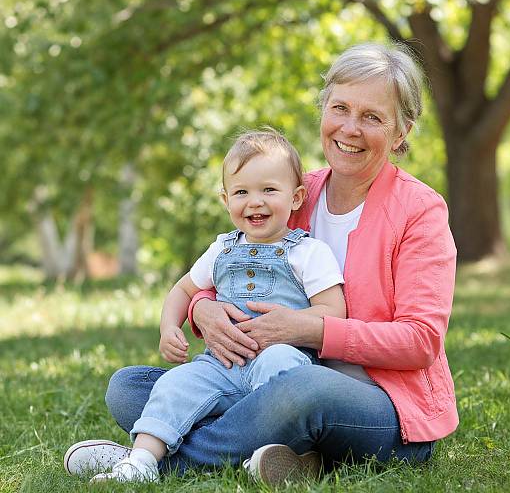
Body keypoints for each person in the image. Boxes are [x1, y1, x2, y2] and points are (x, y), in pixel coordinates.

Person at [64, 42, 458, 486]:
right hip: (262, 375)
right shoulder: (289, 192)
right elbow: (233, 266)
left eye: (372, 117)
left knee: (299, 390)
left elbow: (421, 340)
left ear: (402, 131)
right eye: (340, 108)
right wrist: (202, 311)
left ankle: (150, 460)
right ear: (323, 110)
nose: (349, 128)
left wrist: (307, 330)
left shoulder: (420, 209)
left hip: (378, 403)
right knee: (129, 387)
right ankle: (288, 455)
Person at [68, 129, 346, 483]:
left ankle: (261, 453)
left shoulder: (308, 252)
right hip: (222, 365)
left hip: (281, 358)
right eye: (242, 192)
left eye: (269, 190)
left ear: (296, 198)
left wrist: (290, 323)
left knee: (286, 375)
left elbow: (334, 311)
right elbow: (183, 290)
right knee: (177, 383)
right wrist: (169, 327)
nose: (255, 201)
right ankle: (139, 462)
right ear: (225, 199)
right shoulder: (221, 249)